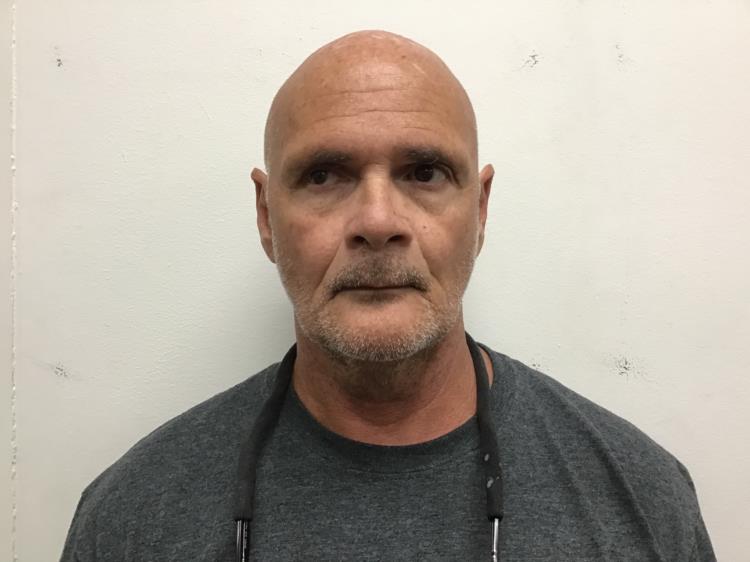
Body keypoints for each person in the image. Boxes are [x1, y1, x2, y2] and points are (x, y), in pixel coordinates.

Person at [61, 30, 715, 561]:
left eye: (424, 172)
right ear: (266, 216)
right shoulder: (129, 518)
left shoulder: (643, 499)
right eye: (324, 175)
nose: (377, 222)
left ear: (480, 210)